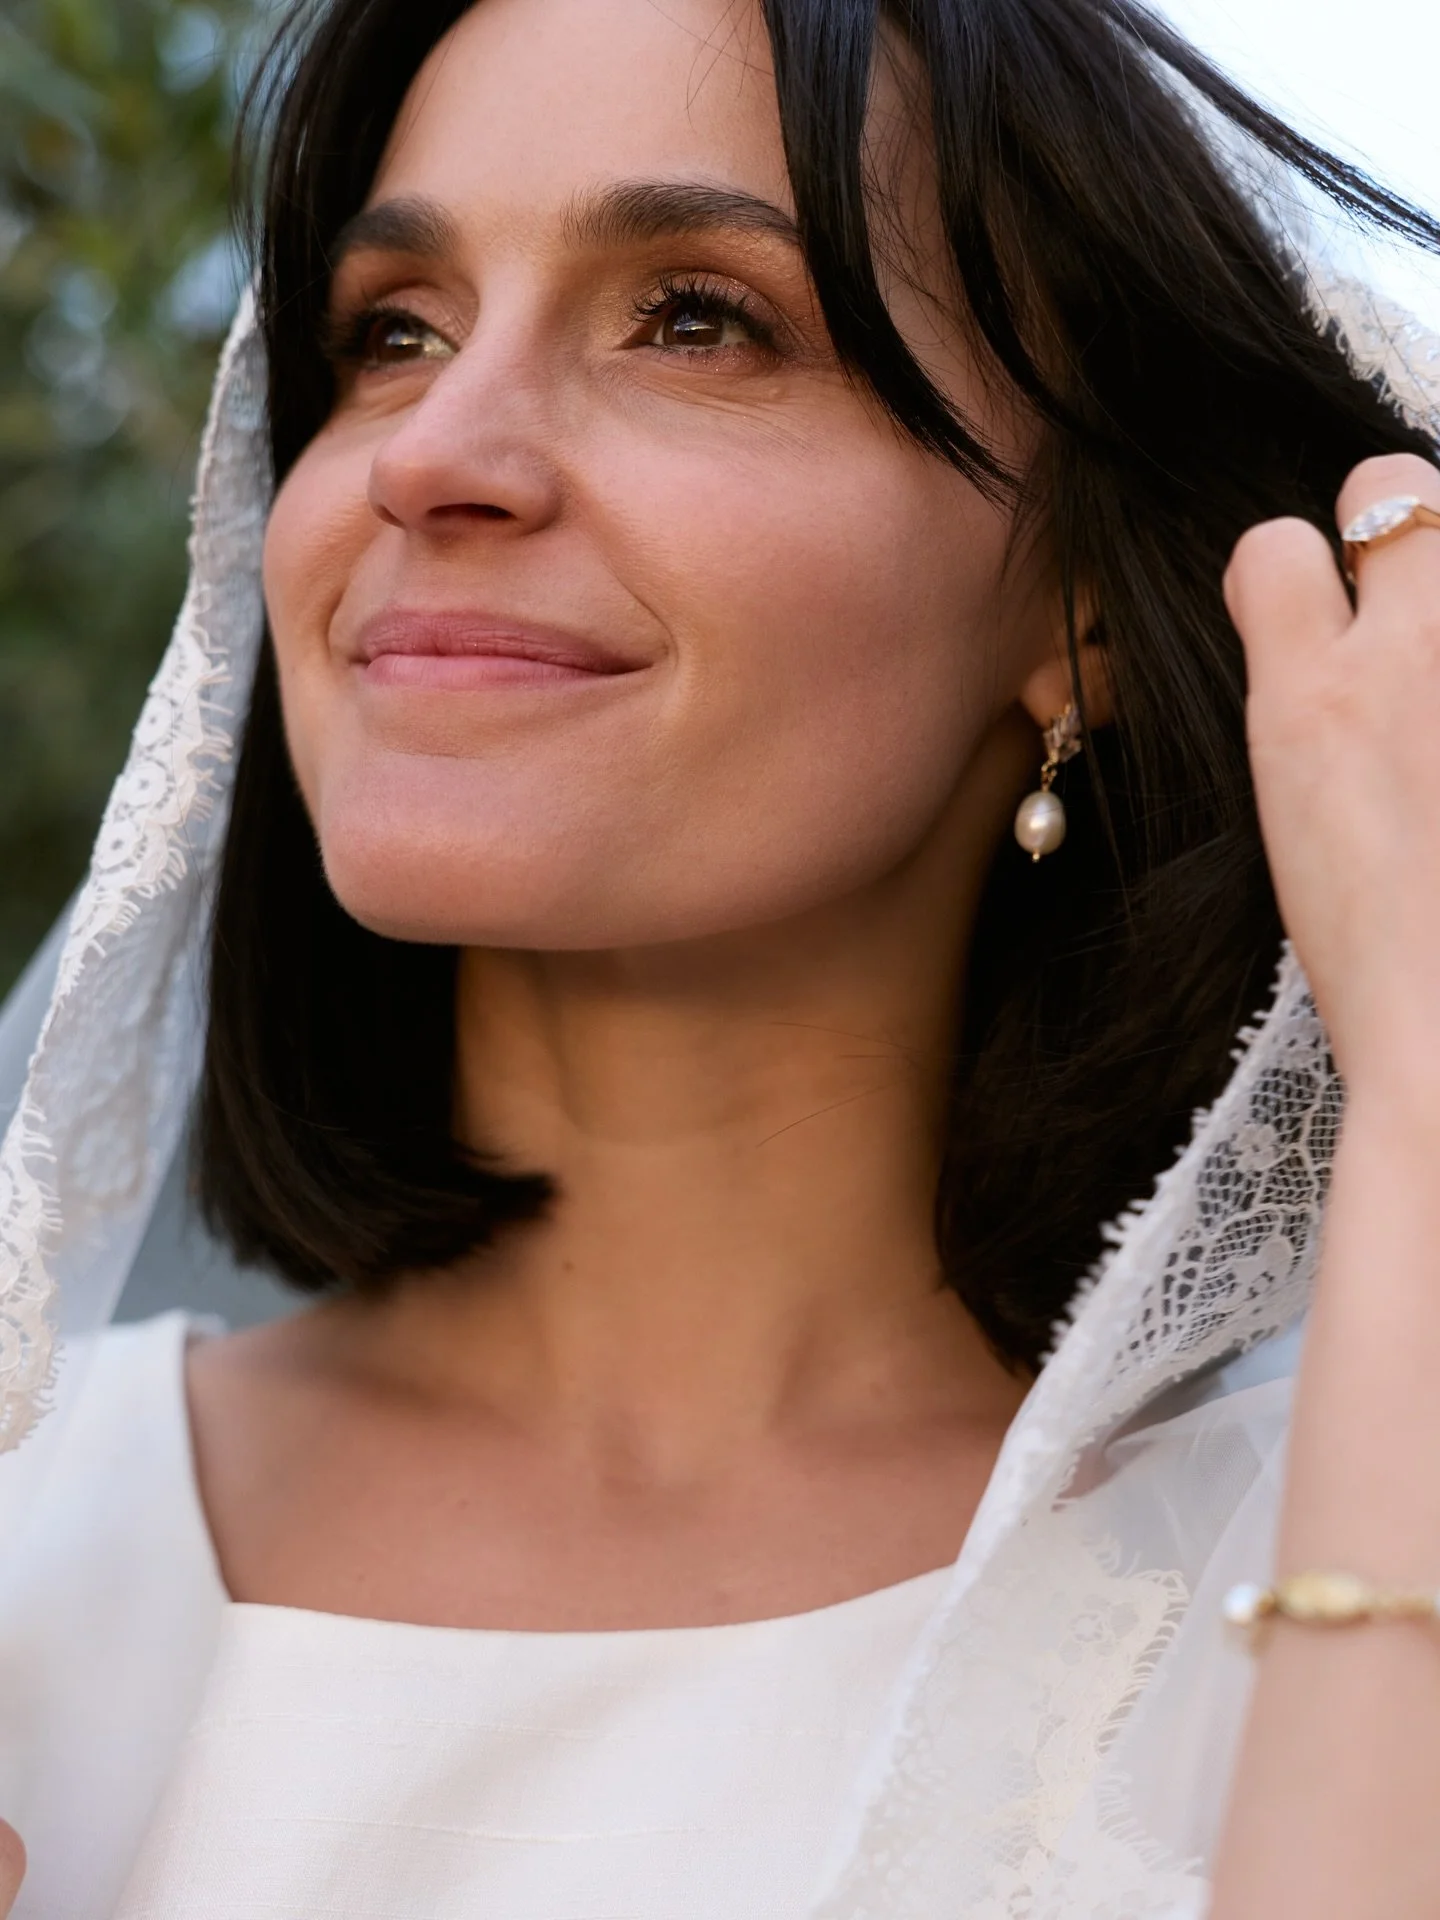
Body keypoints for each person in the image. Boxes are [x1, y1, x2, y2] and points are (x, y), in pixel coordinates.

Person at [0, 0, 1438, 1912]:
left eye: (698, 317)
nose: (437, 451)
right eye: (393, 331)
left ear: (1084, 604)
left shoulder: (1341, 1525)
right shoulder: (28, 1527)